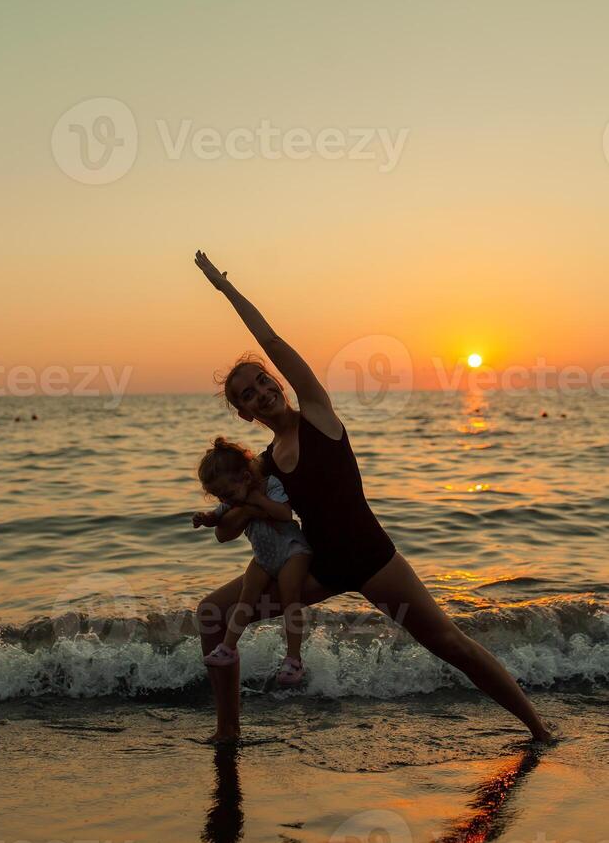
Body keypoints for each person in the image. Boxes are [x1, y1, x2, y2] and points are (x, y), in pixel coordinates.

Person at [193, 250, 553, 745]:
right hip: (316, 565)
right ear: (243, 413)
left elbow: (271, 341)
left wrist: (224, 288)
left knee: (450, 644)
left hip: (370, 558)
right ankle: (228, 732)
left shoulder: (318, 413)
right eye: (248, 395)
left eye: (262, 382)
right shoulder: (266, 462)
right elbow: (234, 525)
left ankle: (539, 728)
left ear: (277, 382)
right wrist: (222, 516)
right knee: (210, 615)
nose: (261, 392)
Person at [193, 436, 312, 684]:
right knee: (246, 597)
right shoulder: (233, 499)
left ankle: (293, 659)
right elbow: (218, 521)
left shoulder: (270, 486)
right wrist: (205, 518)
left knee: (291, 597)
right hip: (263, 558)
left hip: (292, 551)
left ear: (246, 478)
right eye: (219, 497)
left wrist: (258, 502)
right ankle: (227, 648)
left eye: (227, 493)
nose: (226, 500)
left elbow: (285, 514)